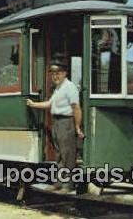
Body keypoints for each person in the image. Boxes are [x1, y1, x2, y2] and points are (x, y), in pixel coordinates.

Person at [27, 59, 84, 194]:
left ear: (64, 73)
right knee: (59, 156)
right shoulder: (59, 88)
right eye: (52, 73)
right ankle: (58, 183)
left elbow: (76, 108)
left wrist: (77, 127)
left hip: (67, 122)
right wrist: (33, 104)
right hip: (57, 123)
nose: (55, 76)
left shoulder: (70, 87)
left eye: (58, 73)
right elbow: (49, 104)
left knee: (68, 156)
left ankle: (67, 186)